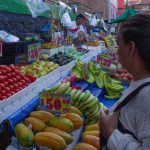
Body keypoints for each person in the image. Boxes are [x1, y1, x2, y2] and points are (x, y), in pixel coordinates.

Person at [100, 14, 150, 150]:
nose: (116, 52)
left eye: (118, 45)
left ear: (131, 48)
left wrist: (111, 134)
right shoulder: (140, 81)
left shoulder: (147, 96)